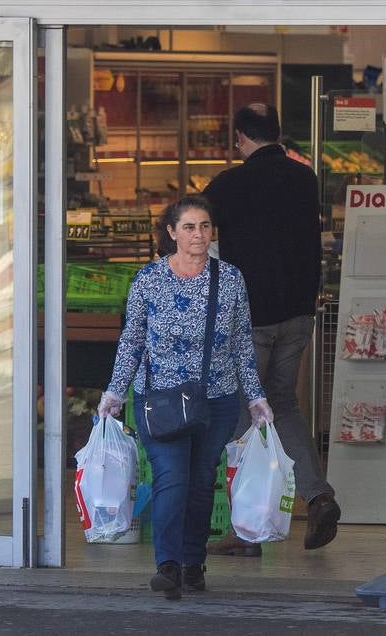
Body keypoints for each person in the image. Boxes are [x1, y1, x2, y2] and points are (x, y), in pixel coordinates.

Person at [97, 195, 274, 600]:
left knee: (200, 482)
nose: (199, 235)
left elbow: (243, 344)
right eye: (190, 227)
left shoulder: (229, 279)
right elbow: (132, 341)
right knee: (171, 478)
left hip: (216, 398)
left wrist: (256, 398)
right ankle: (169, 565)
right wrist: (114, 391)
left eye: (205, 226)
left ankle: (193, 563)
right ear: (172, 232)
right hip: (158, 400)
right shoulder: (149, 280)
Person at [202, 102, 341, 556]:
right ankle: (318, 496)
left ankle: (247, 531)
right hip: (297, 316)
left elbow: (191, 228)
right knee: (283, 404)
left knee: (245, 413)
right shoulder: (304, 179)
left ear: (241, 137)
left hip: (251, 321)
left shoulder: (230, 184)